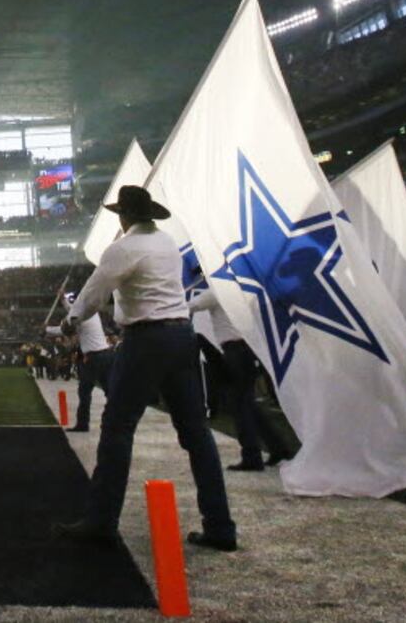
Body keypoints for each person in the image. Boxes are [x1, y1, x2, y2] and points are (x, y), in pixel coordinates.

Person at [53, 186, 237, 552]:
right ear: (150, 213)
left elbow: (94, 293)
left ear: (123, 216)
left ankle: (101, 520)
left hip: (145, 340)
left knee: (118, 429)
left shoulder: (123, 248)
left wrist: (71, 321)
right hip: (181, 336)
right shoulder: (166, 243)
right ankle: (220, 526)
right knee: (197, 434)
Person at [188, 283, 292, 469]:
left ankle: (252, 456)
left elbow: (191, 305)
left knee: (240, 404)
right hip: (250, 347)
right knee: (247, 402)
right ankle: (278, 448)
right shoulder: (241, 289)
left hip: (234, 349)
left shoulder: (217, 290)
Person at [66, 292, 113, 434]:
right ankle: (112, 424)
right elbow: (71, 310)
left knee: (86, 392)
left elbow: (67, 324)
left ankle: (83, 424)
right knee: (109, 391)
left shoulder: (80, 316)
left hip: (94, 357)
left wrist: (47, 330)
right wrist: (63, 298)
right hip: (102, 355)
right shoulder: (89, 312)